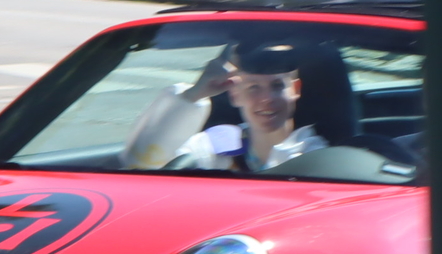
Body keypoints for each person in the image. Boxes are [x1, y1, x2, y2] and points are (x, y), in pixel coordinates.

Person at [122, 38, 332, 172]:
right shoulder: (217, 144)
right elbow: (141, 166)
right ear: (234, 95)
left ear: (295, 90)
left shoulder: (314, 155)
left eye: (277, 86)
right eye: (253, 88)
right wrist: (193, 95)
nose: (267, 98)